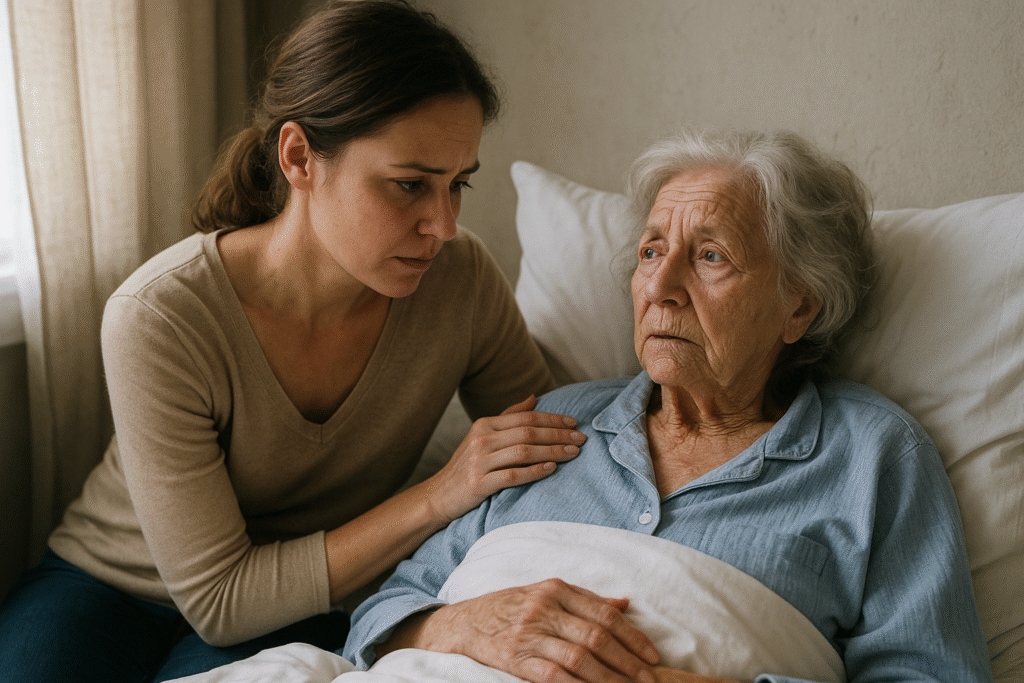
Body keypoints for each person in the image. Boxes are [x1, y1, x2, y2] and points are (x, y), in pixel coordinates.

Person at [0, 2, 587, 681]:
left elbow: (556, 442)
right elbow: (219, 598)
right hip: (105, 584)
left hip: (306, 593)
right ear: (299, 157)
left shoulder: (462, 282)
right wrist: (441, 492)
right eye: (410, 185)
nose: (444, 225)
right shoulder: (161, 315)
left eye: (458, 184)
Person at [343, 129, 994, 682]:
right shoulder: (553, 421)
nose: (659, 284)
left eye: (710, 256)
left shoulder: (874, 456)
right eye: (651, 250)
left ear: (799, 304)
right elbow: (377, 619)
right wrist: (460, 623)